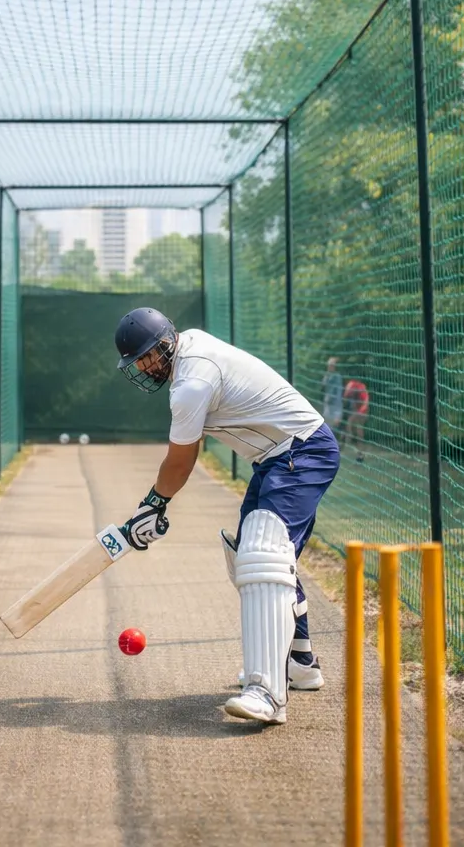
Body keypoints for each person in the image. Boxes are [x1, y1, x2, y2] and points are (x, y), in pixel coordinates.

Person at [113, 307, 340, 726]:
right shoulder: (191, 352)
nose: (144, 367)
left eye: (148, 356)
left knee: (264, 553)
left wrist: (153, 505)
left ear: (167, 342)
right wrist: (153, 505)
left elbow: (180, 461)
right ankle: (300, 662)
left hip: (302, 451)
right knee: (251, 558)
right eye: (138, 362)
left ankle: (267, 693)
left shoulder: (192, 383)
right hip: (276, 458)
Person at [343, 376, 369, 463]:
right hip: (356, 410)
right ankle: (358, 450)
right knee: (354, 428)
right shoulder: (351, 385)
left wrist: (360, 412)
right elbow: (346, 396)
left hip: (362, 410)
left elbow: (365, 402)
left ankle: (360, 452)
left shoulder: (361, 388)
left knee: (358, 429)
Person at [322, 357, 344, 430]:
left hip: (334, 405)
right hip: (328, 404)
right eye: (328, 365)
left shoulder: (337, 377)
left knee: (333, 426)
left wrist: (338, 412)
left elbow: (338, 393)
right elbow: (323, 385)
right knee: (328, 426)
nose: (329, 367)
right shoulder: (328, 376)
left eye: (331, 365)